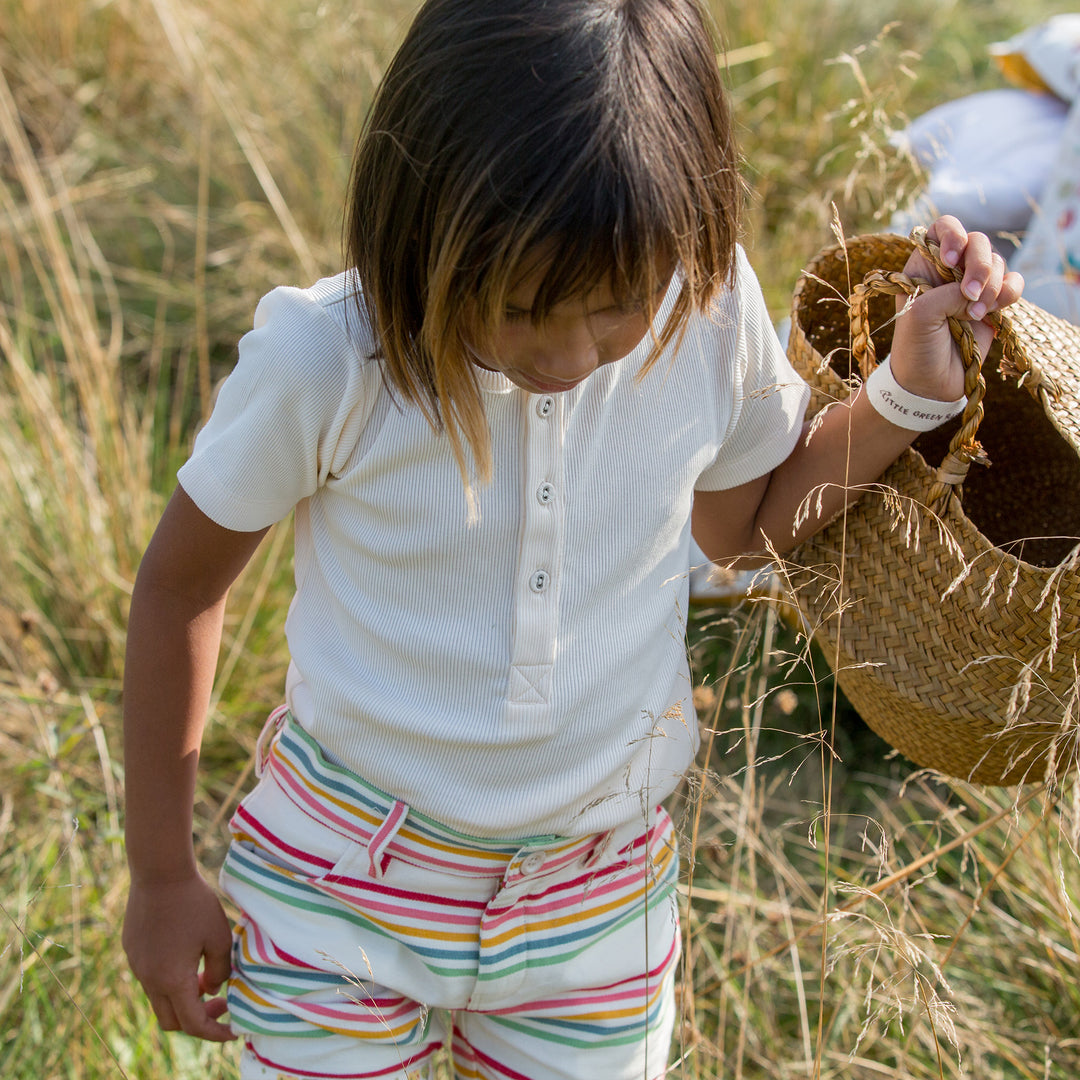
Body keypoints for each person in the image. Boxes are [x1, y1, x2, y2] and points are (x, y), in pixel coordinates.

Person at [120, 1, 1023, 1078]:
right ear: (421, 225)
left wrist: (901, 402)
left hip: (596, 899)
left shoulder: (703, 306)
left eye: (611, 308)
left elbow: (738, 532)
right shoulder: (329, 361)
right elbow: (179, 590)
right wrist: (163, 875)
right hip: (343, 883)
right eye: (517, 308)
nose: (565, 355)